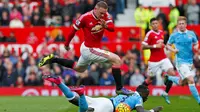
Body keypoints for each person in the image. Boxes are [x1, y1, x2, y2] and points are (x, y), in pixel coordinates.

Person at [38, 1, 132, 95]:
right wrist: (66, 44)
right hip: (89, 49)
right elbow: (72, 31)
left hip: (90, 49)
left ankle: (54, 59)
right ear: (95, 9)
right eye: (101, 13)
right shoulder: (85, 17)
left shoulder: (105, 15)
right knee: (117, 60)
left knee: (79, 68)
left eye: (104, 13)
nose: (103, 15)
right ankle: (119, 88)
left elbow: (112, 28)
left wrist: (105, 25)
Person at [43, 75, 163, 112]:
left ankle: (59, 82)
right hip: (108, 107)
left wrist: (146, 83)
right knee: (84, 110)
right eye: (147, 95)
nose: (147, 98)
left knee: (73, 100)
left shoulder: (130, 91)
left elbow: (140, 88)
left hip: (105, 100)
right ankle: (82, 94)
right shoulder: (138, 99)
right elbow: (141, 111)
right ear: (143, 94)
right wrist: (153, 110)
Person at [141, 17, 177, 104]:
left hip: (163, 58)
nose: (155, 25)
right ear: (150, 25)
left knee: (172, 73)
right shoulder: (149, 34)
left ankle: (165, 93)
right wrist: (154, 46)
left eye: (156, 23)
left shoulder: (161, 32)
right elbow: (143, 47)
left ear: (159, 24)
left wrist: (172, 50)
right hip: (153, 61)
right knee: (149, 79)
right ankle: (138, 93)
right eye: (153, 24)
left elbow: (162, 44)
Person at [166, 16, 200, 104]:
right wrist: (174, 50)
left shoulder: (192, 34)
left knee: (182, 83)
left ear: (186, 24)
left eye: (183, 24)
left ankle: (169, 78)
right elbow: (168, 45)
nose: (181, 25)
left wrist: (196, 48)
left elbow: (196, 44)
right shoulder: (174, 35)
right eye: (179, 24)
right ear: (177, 25)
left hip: (190, 62)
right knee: (191, 80)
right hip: (180, 62)